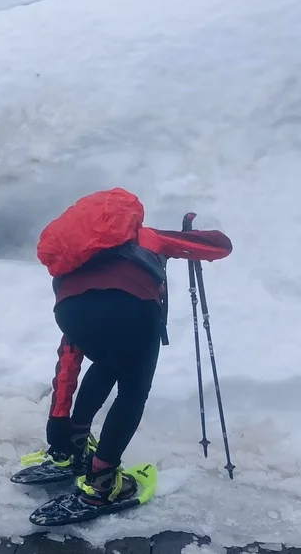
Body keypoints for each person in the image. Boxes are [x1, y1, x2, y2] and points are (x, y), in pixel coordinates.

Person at [40, 209, 231, 506]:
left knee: (106, 361)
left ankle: (74, 442)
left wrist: (59, 419)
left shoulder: (75, 265)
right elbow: (219, 246)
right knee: (133, 391)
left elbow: (69, 356)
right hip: (135, 309)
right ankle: (102, 481)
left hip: (71, 313)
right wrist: (194, 232)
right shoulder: (145, 237)